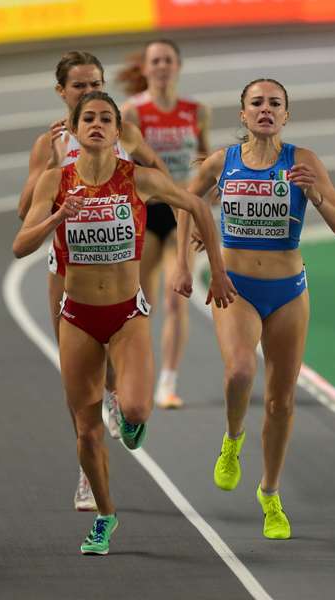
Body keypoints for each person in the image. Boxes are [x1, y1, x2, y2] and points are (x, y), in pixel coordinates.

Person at [13, 91, 235, 555]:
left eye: (106, 119)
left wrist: (214, 268)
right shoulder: (55, 181)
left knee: (135, 411)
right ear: (73, 130)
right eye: (88, 118)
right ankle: (105, 516)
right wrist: (57, 216)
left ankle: (132, 419)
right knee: (87, 429)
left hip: (126, 315)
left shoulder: (140, 178)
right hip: (75, 317)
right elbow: (19, 246)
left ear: (119, 132)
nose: (97, 124)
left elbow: (194, 206)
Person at [174, 78, 335, 540]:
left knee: (281, 401)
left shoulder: (304, 162)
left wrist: (315, 196)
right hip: (236, 288)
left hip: (289, 292)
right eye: (257, 103)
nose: (266, 109)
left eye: (275, 103)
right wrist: (184, 259)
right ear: (242, 114)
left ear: (287, 115)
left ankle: (270, 494)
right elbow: (186, 201)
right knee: (239, 372)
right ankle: (232, 440)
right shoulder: (224, 162)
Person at [17, 51, 169, 511]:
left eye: (96, 83)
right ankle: (88, 472)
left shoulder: (125, 135)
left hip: (119, 267)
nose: (88, 92)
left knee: (118, 366)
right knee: (78, 381)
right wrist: (53, 166)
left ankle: (124, 399)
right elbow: (24, 212)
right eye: (79, 86)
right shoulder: (50, 144)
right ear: (61, 92)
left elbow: (161, 179)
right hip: (65, 273)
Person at [118, 39, 211, 409]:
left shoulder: (197, 110)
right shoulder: (133, 112)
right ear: (145, 68)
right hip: (148, 211)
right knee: (143, 303)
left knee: (177, 299)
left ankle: (167, 383)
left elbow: (204, 155)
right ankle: (133, 374)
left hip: (183, 213)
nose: (161, 66)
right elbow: (129, 164)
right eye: (155, 60)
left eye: (168, 60)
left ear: (178, 66)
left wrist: (210, 188)